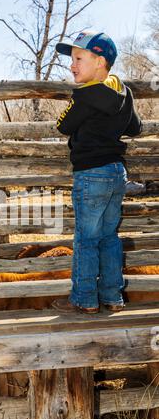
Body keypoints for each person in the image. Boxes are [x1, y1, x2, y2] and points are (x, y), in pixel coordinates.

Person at [55, 31, 142, 313]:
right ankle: (112, 297)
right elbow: (135, 127)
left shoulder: (84, 94)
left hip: (91, 173)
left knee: (85, 239)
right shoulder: (123, 91)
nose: (72, 65)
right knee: (108, 238)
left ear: (100, 61)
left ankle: (84, 298)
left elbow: (63, 125)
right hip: (117, 174)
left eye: (79, 58)